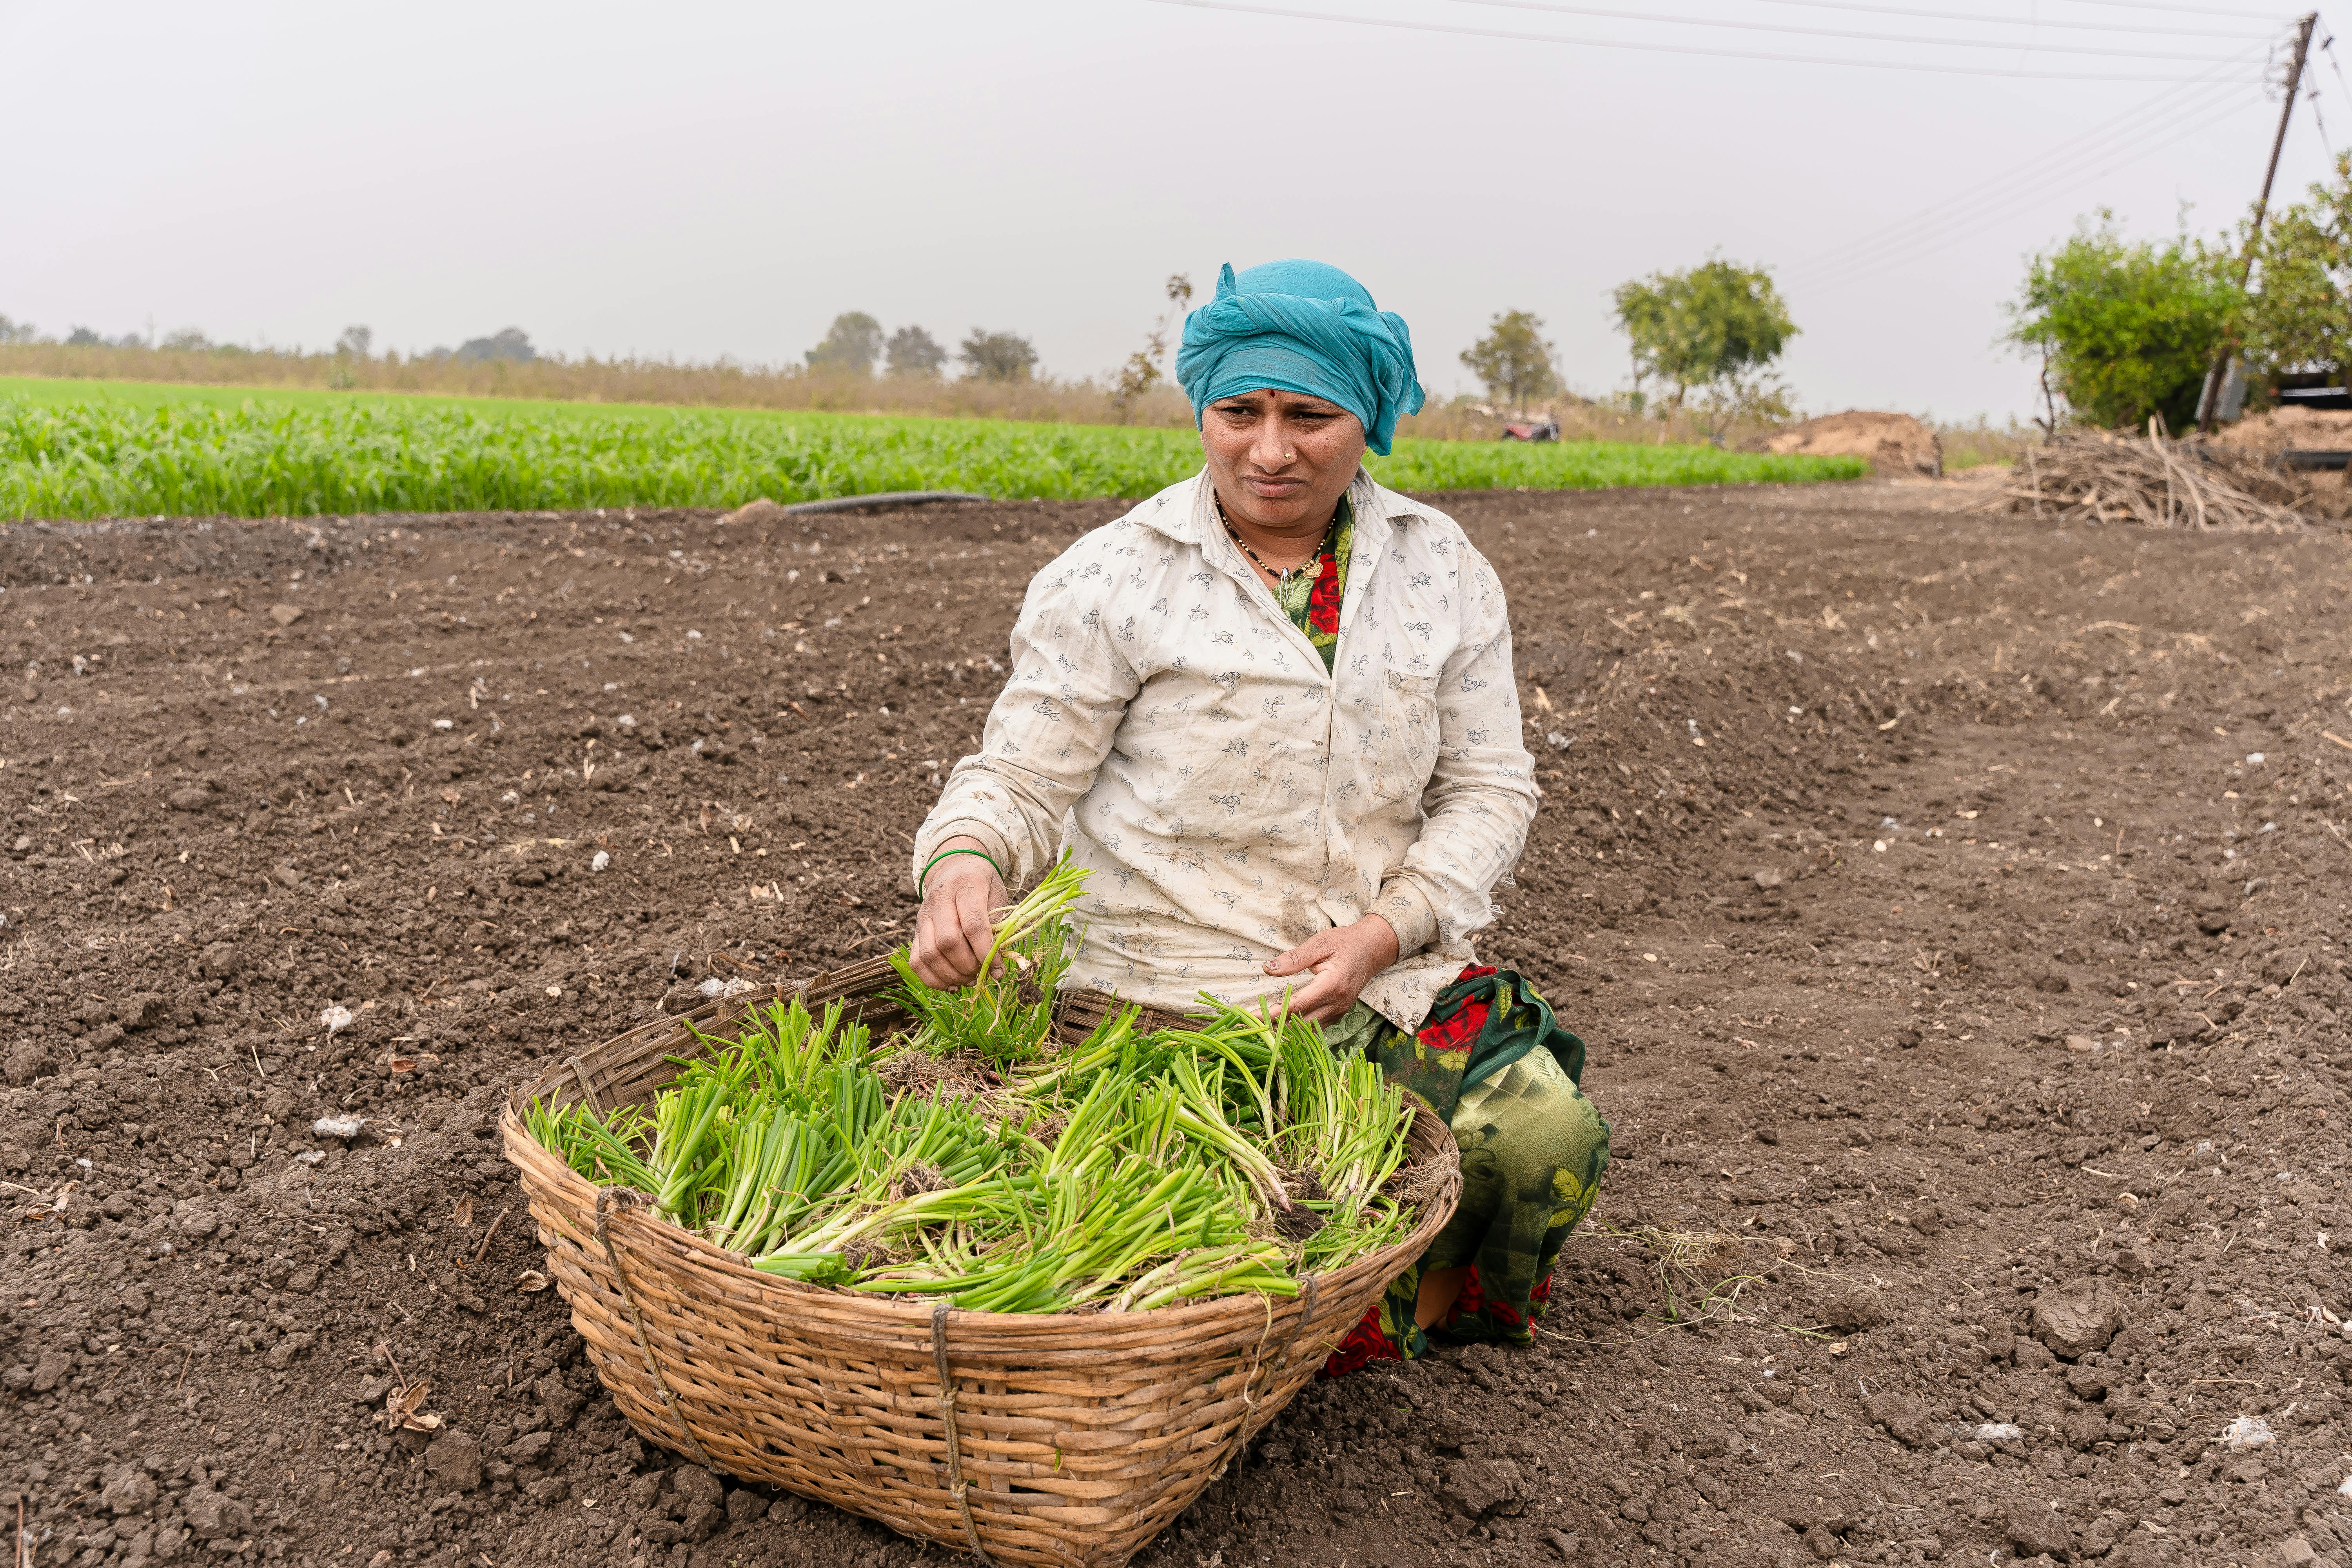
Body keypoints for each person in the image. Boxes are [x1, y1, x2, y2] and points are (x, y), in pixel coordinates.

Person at [906, 258, 1609, 1370]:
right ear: (1204, 410)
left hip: (1376, 982)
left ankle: (1380, 1334)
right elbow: (1021, 776)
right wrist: (965, 865)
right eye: (1239, 412)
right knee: (1178, 1232)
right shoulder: (1116, 579)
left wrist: (1393, 927)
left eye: (1310, 416)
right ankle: (1275, 1349)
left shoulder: (1441, 571)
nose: (1269, 450)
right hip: (1154, 998)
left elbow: (1489, 787)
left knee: (1540, 1139)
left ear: (1367, 420)